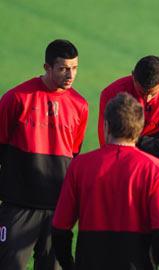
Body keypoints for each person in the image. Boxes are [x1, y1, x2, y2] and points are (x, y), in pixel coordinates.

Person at [52, 93, 159, 270]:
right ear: (140, 129)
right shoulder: (157, 169)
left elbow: (60, 229)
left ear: (106, 125)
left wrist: (69, 265)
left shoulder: (80, 165)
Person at [98, 55, 159, 269]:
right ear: (132, 77)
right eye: (142, 92)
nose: (148, 99)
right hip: (127, 188)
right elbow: (110, 148)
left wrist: (136, 139)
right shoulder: (112, 94)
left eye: (153, 93)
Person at [0, 39, 88, 270]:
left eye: (75, 68)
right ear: (46, 67)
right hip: (18, 205)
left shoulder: (80, 105)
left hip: (58, 209)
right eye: (63, 68)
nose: (70, 75)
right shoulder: (16, 98)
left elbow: (74, 156)